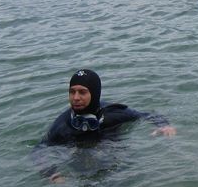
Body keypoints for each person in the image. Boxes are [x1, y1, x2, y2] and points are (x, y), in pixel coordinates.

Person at [35, 69, 176, 181]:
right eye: (72, 92)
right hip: (80, 166)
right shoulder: (63, 125)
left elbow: (147, 115)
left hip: (117, 162)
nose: (76, 97)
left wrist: (164, 125)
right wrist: (51, 174)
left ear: (94, 93)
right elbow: (39, 150)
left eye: (82, 92)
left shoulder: (113, 113)